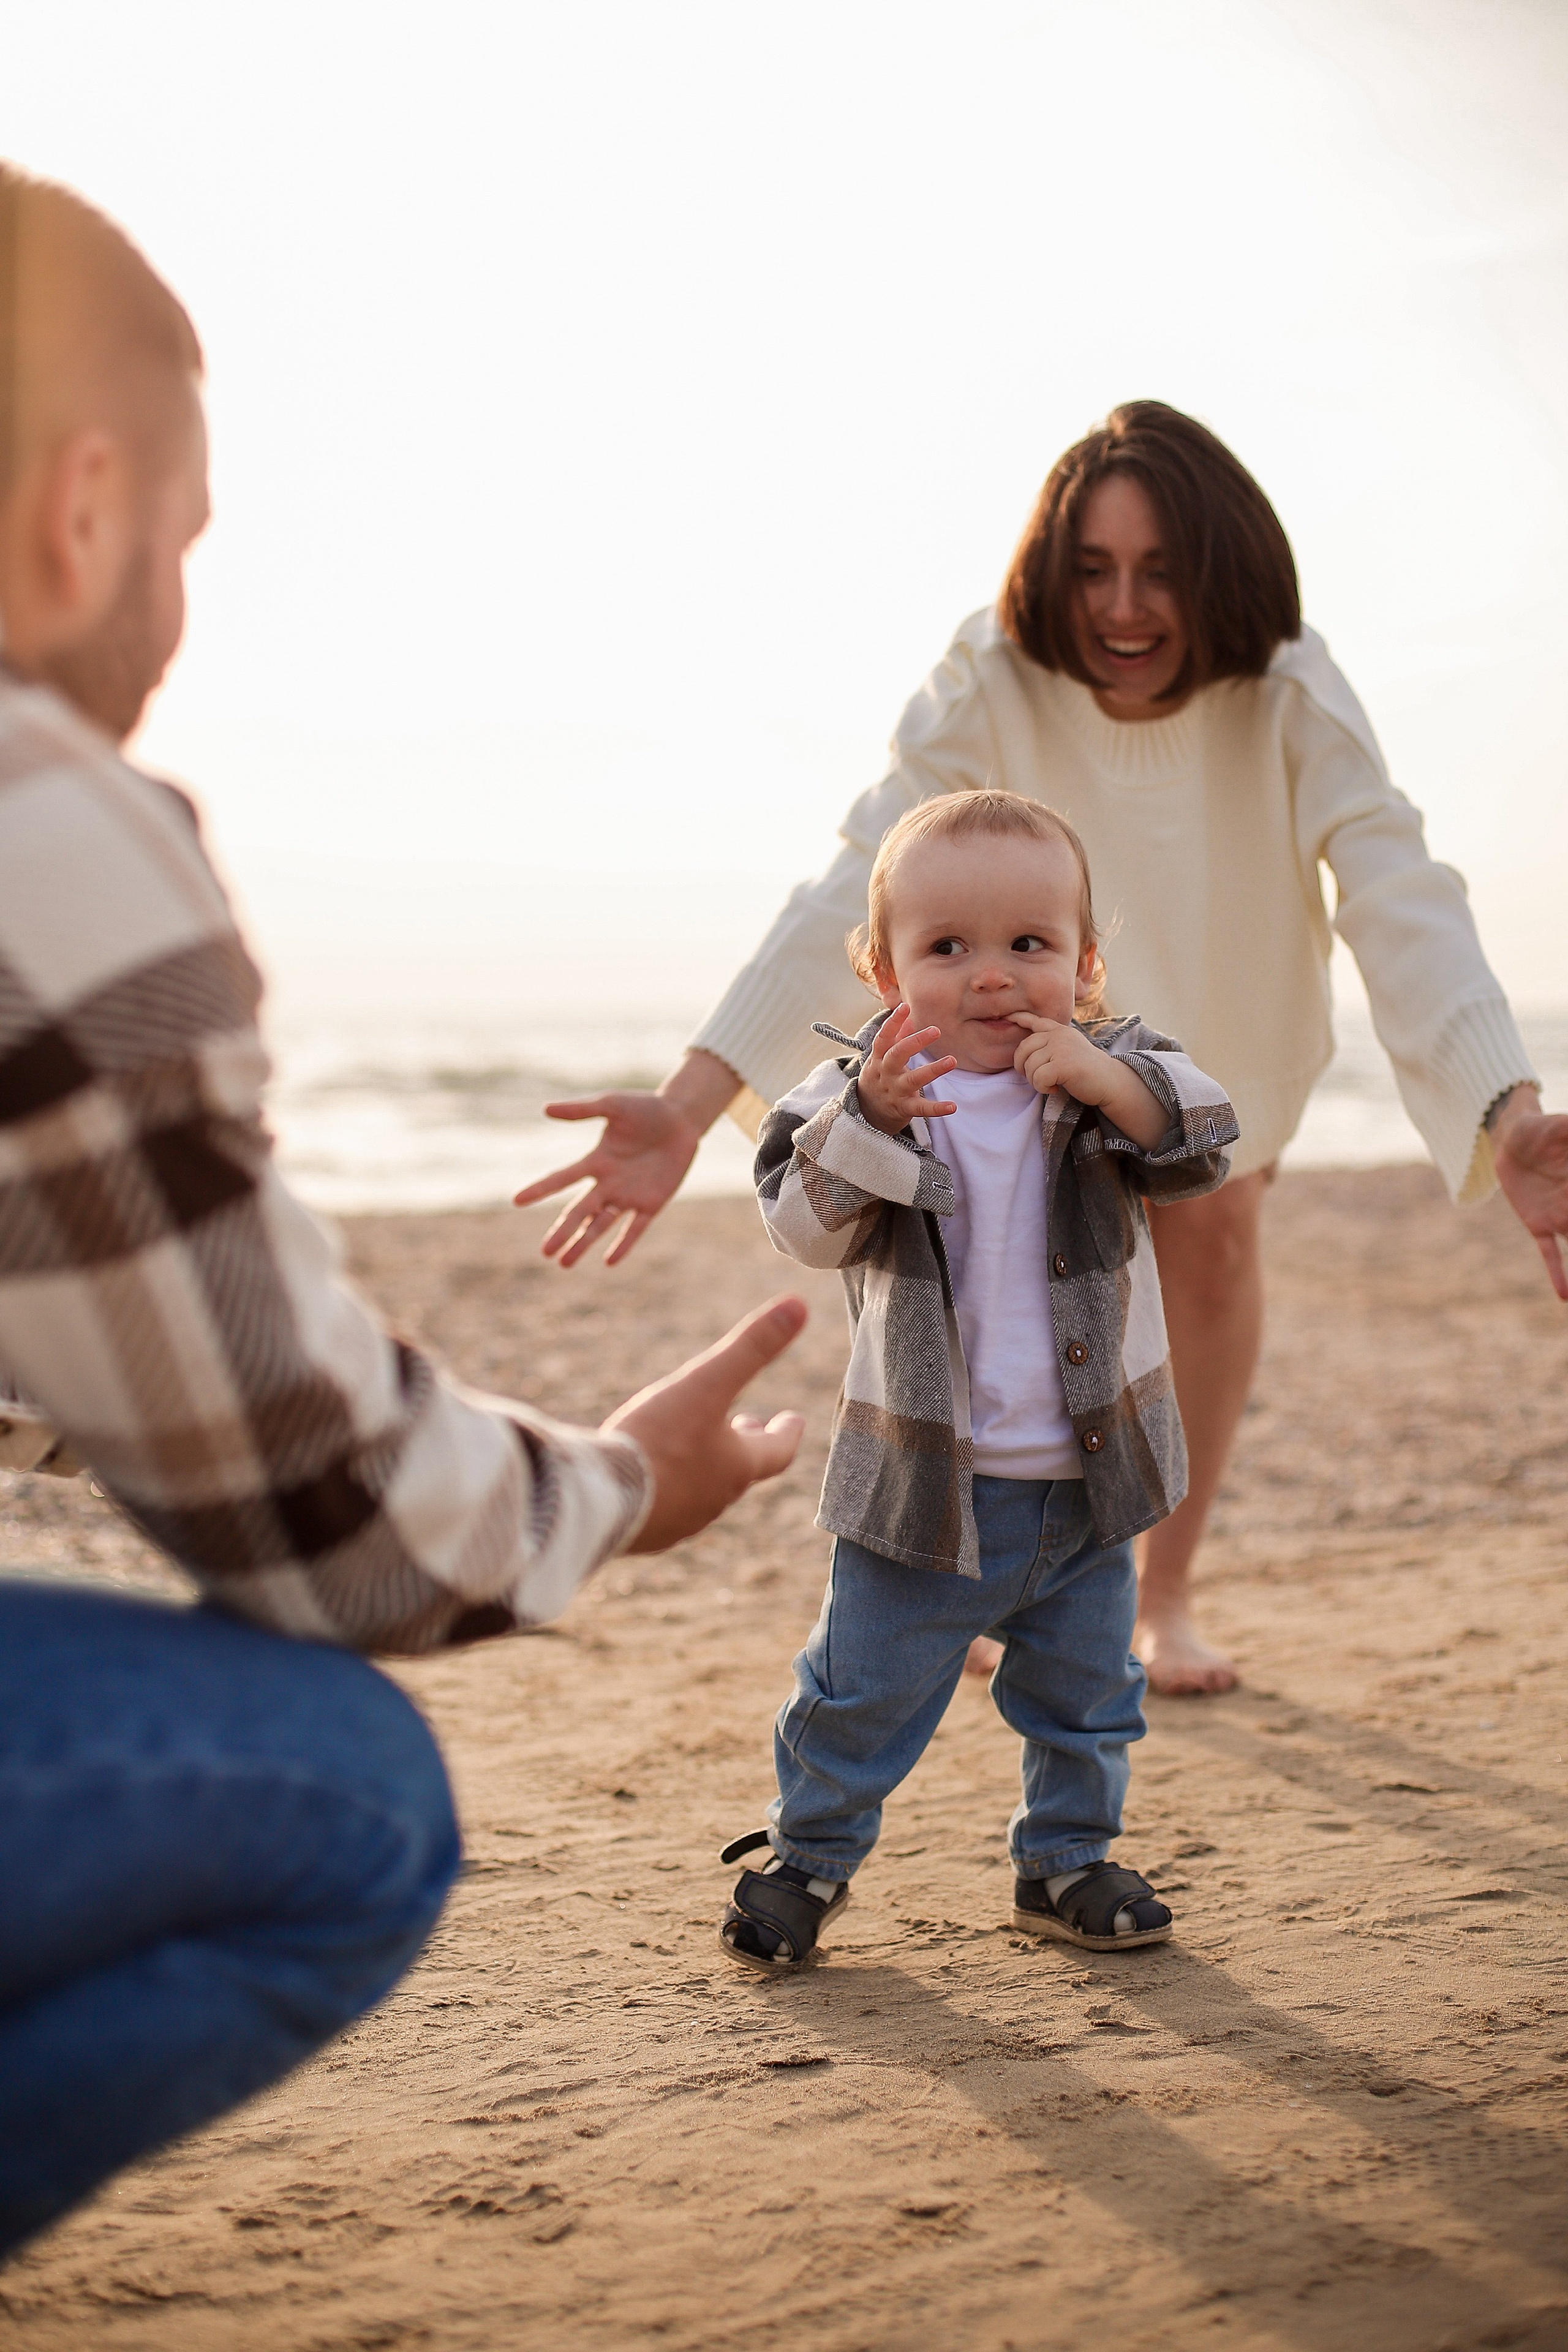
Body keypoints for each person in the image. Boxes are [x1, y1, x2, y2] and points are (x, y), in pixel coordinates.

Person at [0, 164, 806, 2259]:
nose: (169, 630)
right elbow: (319, 1515)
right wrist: (623, 1479)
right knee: (349, 1796)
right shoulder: (40, 820)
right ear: (80, 514)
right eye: (176, 556)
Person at [517, 401, 1568, 1697]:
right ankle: (985, 1566)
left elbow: (1396, 890)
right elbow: (856, 881)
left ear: (1223, 569)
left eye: (1159, 572)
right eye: (1090, 571)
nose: (1122, 610)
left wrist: (1506, 1111)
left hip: (1226, 1024)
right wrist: (691, 1101)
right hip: (1011, 1023)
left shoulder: (1289, 679)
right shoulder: (991, 671)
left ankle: (1155, 1598)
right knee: (991, 1268)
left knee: (1211, 1244)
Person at [716, 790, 1237, 1970]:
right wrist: (870, 1120)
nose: (992, 976)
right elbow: (800, 1223)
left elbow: (1204, 1137)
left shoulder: (1113, 1073)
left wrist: (1108, 1086)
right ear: (884, 968)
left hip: (1089, 1483)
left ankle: (1065, 1862)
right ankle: (809, 1858)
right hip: (921, 1487)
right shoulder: (855, 1099)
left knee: (1087, 1695)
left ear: (1086, 963)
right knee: (862, 1690)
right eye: (947, 947)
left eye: (1030, 946)